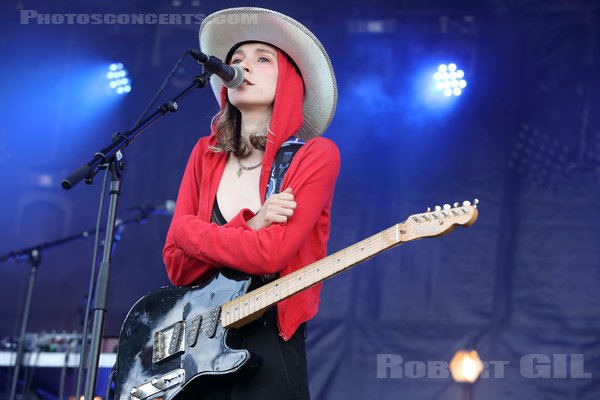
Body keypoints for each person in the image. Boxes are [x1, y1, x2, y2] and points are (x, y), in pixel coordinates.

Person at [162, 7, 339, 399]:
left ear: (291, 80)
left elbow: (269, 257)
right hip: (197, 349)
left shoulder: (314, 156)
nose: (244, 66)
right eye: (236, 60)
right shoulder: (204, 155)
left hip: (269, 343)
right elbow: (176, 263)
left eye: (263, 58)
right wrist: (253, 223)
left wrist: (196, 233)